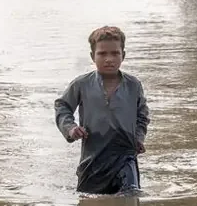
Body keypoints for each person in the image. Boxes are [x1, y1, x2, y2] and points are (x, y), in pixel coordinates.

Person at [55, 26, 151, 194]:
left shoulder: (133, 85)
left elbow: (142, 116)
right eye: (102, 54)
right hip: (93, 159)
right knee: (88, 202)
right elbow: (62, 106)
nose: (109, 59)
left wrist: (138, 138)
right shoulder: (81, 84)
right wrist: (71, 129)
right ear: (93, 56)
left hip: (125, 156)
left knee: (131, 194)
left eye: (115, 53)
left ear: (123, 55)